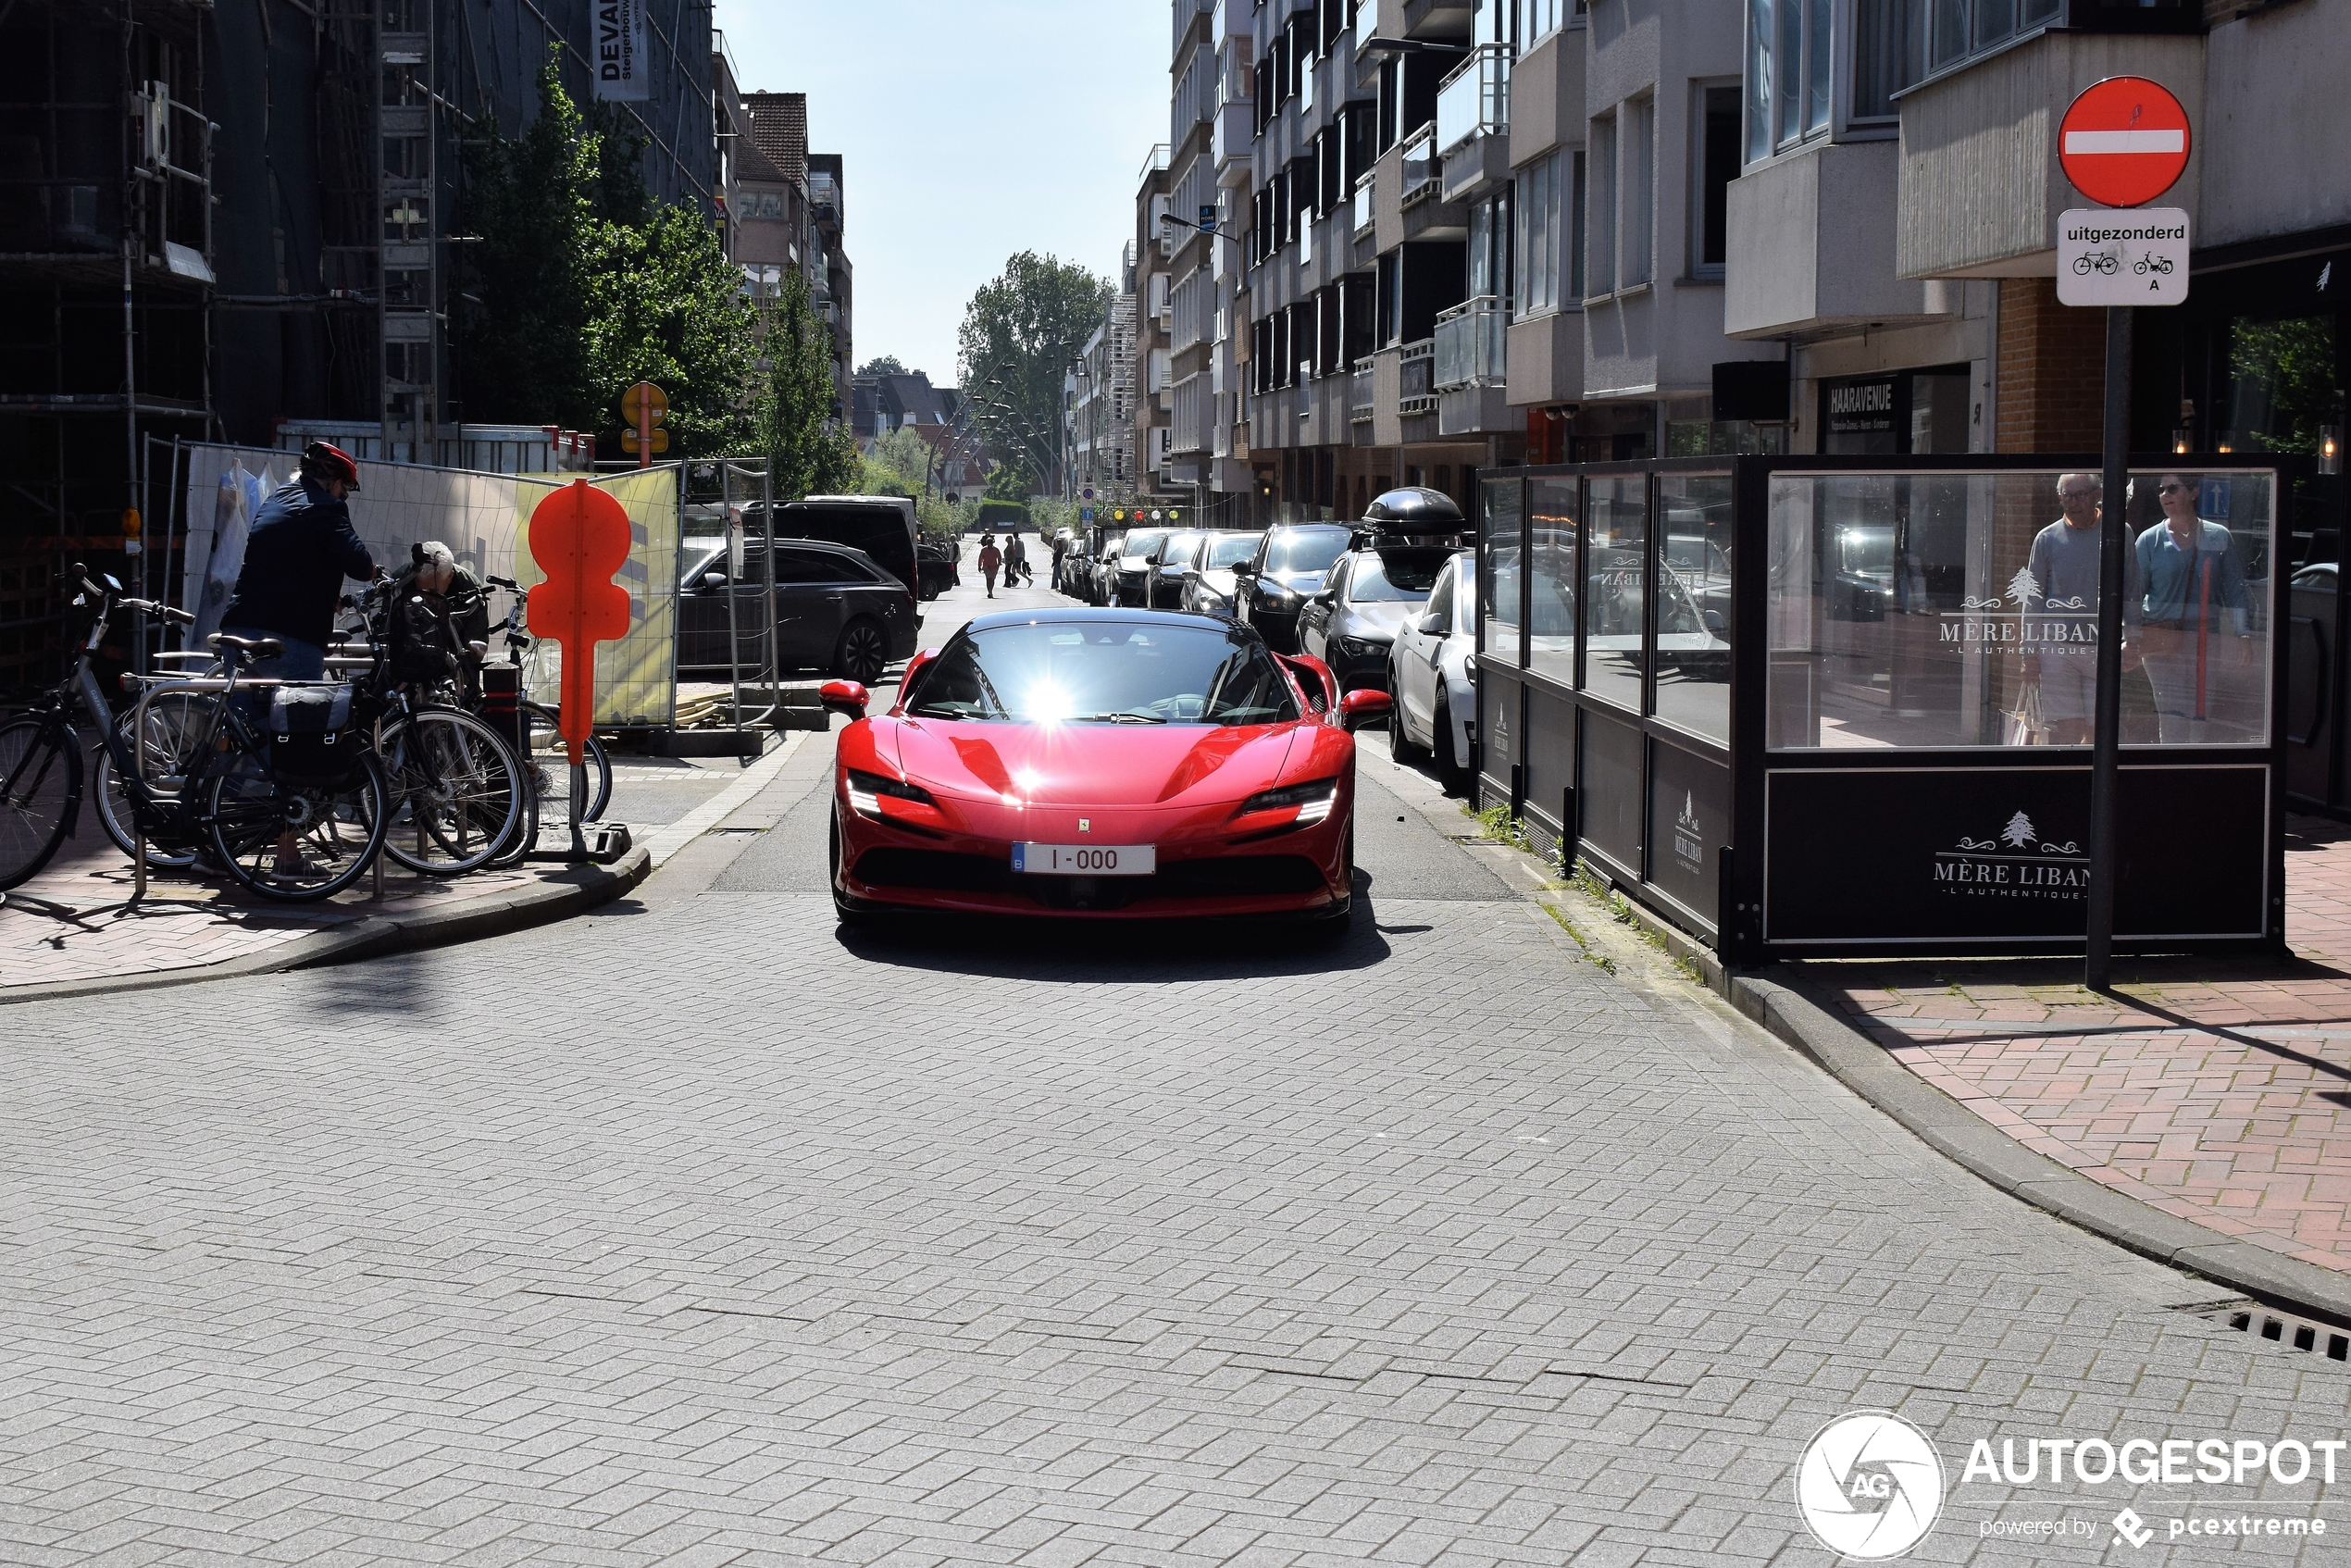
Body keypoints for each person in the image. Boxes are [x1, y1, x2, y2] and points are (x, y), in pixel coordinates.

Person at [217, 440, 378, 870]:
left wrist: (328, 596)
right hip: (288, 640)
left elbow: (290, 564)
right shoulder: (327, 509)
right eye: (345, 487)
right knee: (297, 744)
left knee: (247, 744)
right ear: (333, 481)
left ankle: (216, 845)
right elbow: (359, 562)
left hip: (240, 628)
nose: (345, 496)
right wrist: (377, 575)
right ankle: (286, 855)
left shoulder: (277, 500)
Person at [2135, 472, 2257, 743]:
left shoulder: (2217, 536)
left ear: (2193, 492)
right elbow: (2133, 593)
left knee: (2201, 712)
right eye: (2161, 489)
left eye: (2172, 489)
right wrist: (2129, 638)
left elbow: (2235, 590)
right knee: (2171, 714)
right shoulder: (2149, 541)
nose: (2164, 495)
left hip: (2205, 639)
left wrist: (2243, 634)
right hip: (2161, 640)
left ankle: (2194, 769)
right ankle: (2171, 770)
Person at [2021, 473, 2137, 745]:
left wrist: (2134, 640)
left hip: (2103, 646)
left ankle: (2090, 781)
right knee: (2067, 729)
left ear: (2097, 495)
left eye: (2080, 495)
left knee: (2099, 729)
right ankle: (2069, 780)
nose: (2072, 502)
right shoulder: (2046, 538)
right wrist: (2029, 654)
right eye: (2066, 496)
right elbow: (2033, 598)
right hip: (2057, 648)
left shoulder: (2119, 532)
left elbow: (2131, 587)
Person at [977, 532, 1001, 598]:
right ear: (987, 543)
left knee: (992, 579)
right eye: (988, 543)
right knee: (988, 579)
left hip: (994, 567)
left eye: (991, 543)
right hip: (986, 567)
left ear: (992, 543)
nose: (989, 544)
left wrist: (998, 564)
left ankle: (991, 590)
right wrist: (979, 566)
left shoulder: (996, 550)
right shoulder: (984, 550)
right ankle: (989, 592)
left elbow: (999, 557)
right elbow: (981, 558)